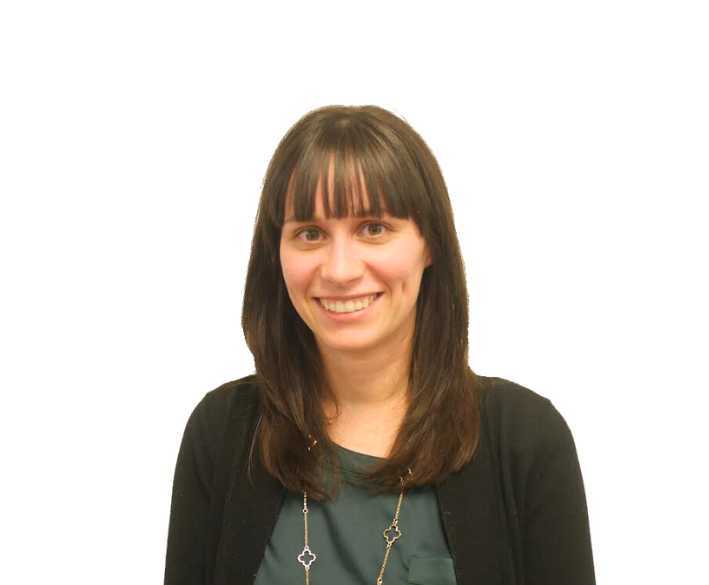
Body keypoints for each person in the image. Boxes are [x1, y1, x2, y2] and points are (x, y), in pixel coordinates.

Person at [163, 105, 596, 585]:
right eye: (310, 233)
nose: (341, 269)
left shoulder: (526, 441)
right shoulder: (223, 432)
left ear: (429, 243)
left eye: (373, 228)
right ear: (277, 253)